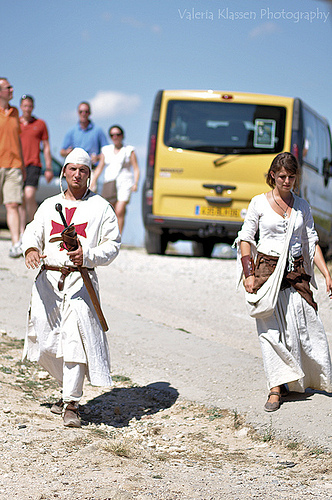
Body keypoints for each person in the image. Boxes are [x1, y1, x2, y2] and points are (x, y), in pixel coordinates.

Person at [21, 148, 121, 428]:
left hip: (80, 282)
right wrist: (30, 249)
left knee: (76, 342)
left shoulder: (101, 207)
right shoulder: (49, 204)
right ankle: (68, 388)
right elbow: (33, 230)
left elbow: (112, 245)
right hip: (48, 284)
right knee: (44, 344)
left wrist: (87, 255)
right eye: (73, 169)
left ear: (90, 175)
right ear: (64, 172)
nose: (77, 174)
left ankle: (71, 404)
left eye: (84, 170)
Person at [236, 152, 332, 412]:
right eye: (281, 176)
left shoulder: (303, 206)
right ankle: (275, 389)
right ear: (272, 176)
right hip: (266, 273)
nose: (286, 181)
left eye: (291, 176)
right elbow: (246, 238)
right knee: (270, 333)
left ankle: (299, 379)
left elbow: (311, 241)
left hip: (297, 274)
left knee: (305, 328)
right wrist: (249, 274)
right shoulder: (259, 203)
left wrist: (326, 273)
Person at [90, 125, 140, 234]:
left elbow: (136, 168)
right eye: (112, 135)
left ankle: (118, 236)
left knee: (120, 210)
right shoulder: (106, 150)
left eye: (118, 134)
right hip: (110, 182)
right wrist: (93, 180)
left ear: (122, 136)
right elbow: (100, 167)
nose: (115, 137)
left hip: (125, 182)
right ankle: (109, 235)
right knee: (110, 211)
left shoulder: (129, 150)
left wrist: (136, 183)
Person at [19, 94, 53, 227]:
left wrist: (49, 167)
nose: (27, 109)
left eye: (30, 106)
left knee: (29, 195)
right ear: (21, 107)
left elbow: (46, 147)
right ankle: (22, 231)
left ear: (33, 107)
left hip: (33, 164)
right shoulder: (15, 123)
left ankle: (33, 225)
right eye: (25, 106)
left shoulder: (40, 124)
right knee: (19, 199)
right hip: (17, 164)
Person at [0, 77, 25, 258]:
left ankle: (16, 243)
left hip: (14, 165)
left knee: (12, 205)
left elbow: (18, 141)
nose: (12, 89)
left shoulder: (16, 113)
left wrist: (22, 164)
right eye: (8, 87)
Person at [60, 101, 107, 166]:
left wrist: (98, 157)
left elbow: (107, 151)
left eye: (86, 112)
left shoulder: (98, 130)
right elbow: (62, 152)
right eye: (81, 112)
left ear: (90, 113)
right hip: (76, 168)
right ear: (77, 113)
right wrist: (67, 152)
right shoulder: (71, 131)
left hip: (93, 169)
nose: (83, 114)